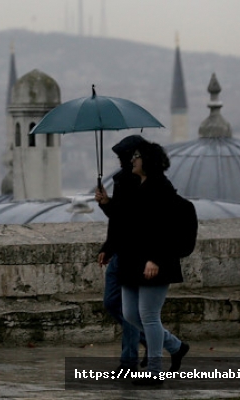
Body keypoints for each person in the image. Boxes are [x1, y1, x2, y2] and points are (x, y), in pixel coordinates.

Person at [115, 141, 190, 385]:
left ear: (147, 161)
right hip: (132, 261)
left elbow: (164, 229)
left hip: (155, 261)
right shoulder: (137, 185)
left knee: (148, 315)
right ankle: (175, 346)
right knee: (130, 314)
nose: (133, 160)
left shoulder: (161, 188)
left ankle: (155, 370)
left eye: (137, 156)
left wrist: (155, 259)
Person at [95, 135, 148, 372]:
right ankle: (157, 341)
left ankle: (130, 360)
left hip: (131, 255)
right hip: (120, 253)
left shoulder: (142, 182)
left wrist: (108, 204)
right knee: (115, 305)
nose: (120, 161)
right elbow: (118, 222)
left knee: (127, 309)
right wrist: (108, 247)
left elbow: (128, 219)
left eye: (122, 157)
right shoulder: (124, 180)